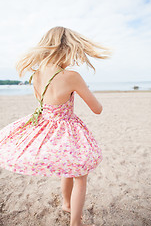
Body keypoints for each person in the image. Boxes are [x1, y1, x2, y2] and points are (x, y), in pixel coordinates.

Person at [0, 26, 111, 226]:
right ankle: (75, 222)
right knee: (80, 176)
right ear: (65, 49)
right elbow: (97, 109)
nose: (73, 59)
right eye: (73, 53)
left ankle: (67, 204)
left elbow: (44, 104)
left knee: (67, 168)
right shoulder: (71, 76)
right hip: (67, 130)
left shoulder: (36, 74)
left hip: (45, 127)